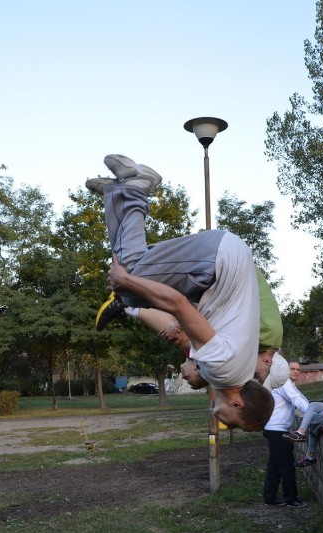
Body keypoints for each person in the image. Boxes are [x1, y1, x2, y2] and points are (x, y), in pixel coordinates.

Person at [87, 154, 273, 431]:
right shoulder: (222, 372)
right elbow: (177, 303)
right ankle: (136, 189)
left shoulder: (242, 373)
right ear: (238, 405)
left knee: (129, 289)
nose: (220, 419)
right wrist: (126, 279)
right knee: (130, 277)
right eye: (229, 422)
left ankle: (119, 194)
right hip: (217, 264)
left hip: (225, 261)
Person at [262, 359, 310, 507]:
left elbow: (302, 399)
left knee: (275, 465)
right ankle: (291, 499)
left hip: (274, 429)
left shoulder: (290, 385)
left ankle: (270, 497)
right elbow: (298, 402)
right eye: (292, 368)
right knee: (287, 466)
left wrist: (313, 409)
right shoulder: (284, 384)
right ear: (285, 371)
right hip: (277, 430)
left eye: (298, 369)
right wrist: (313, 414)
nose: (295, 371)